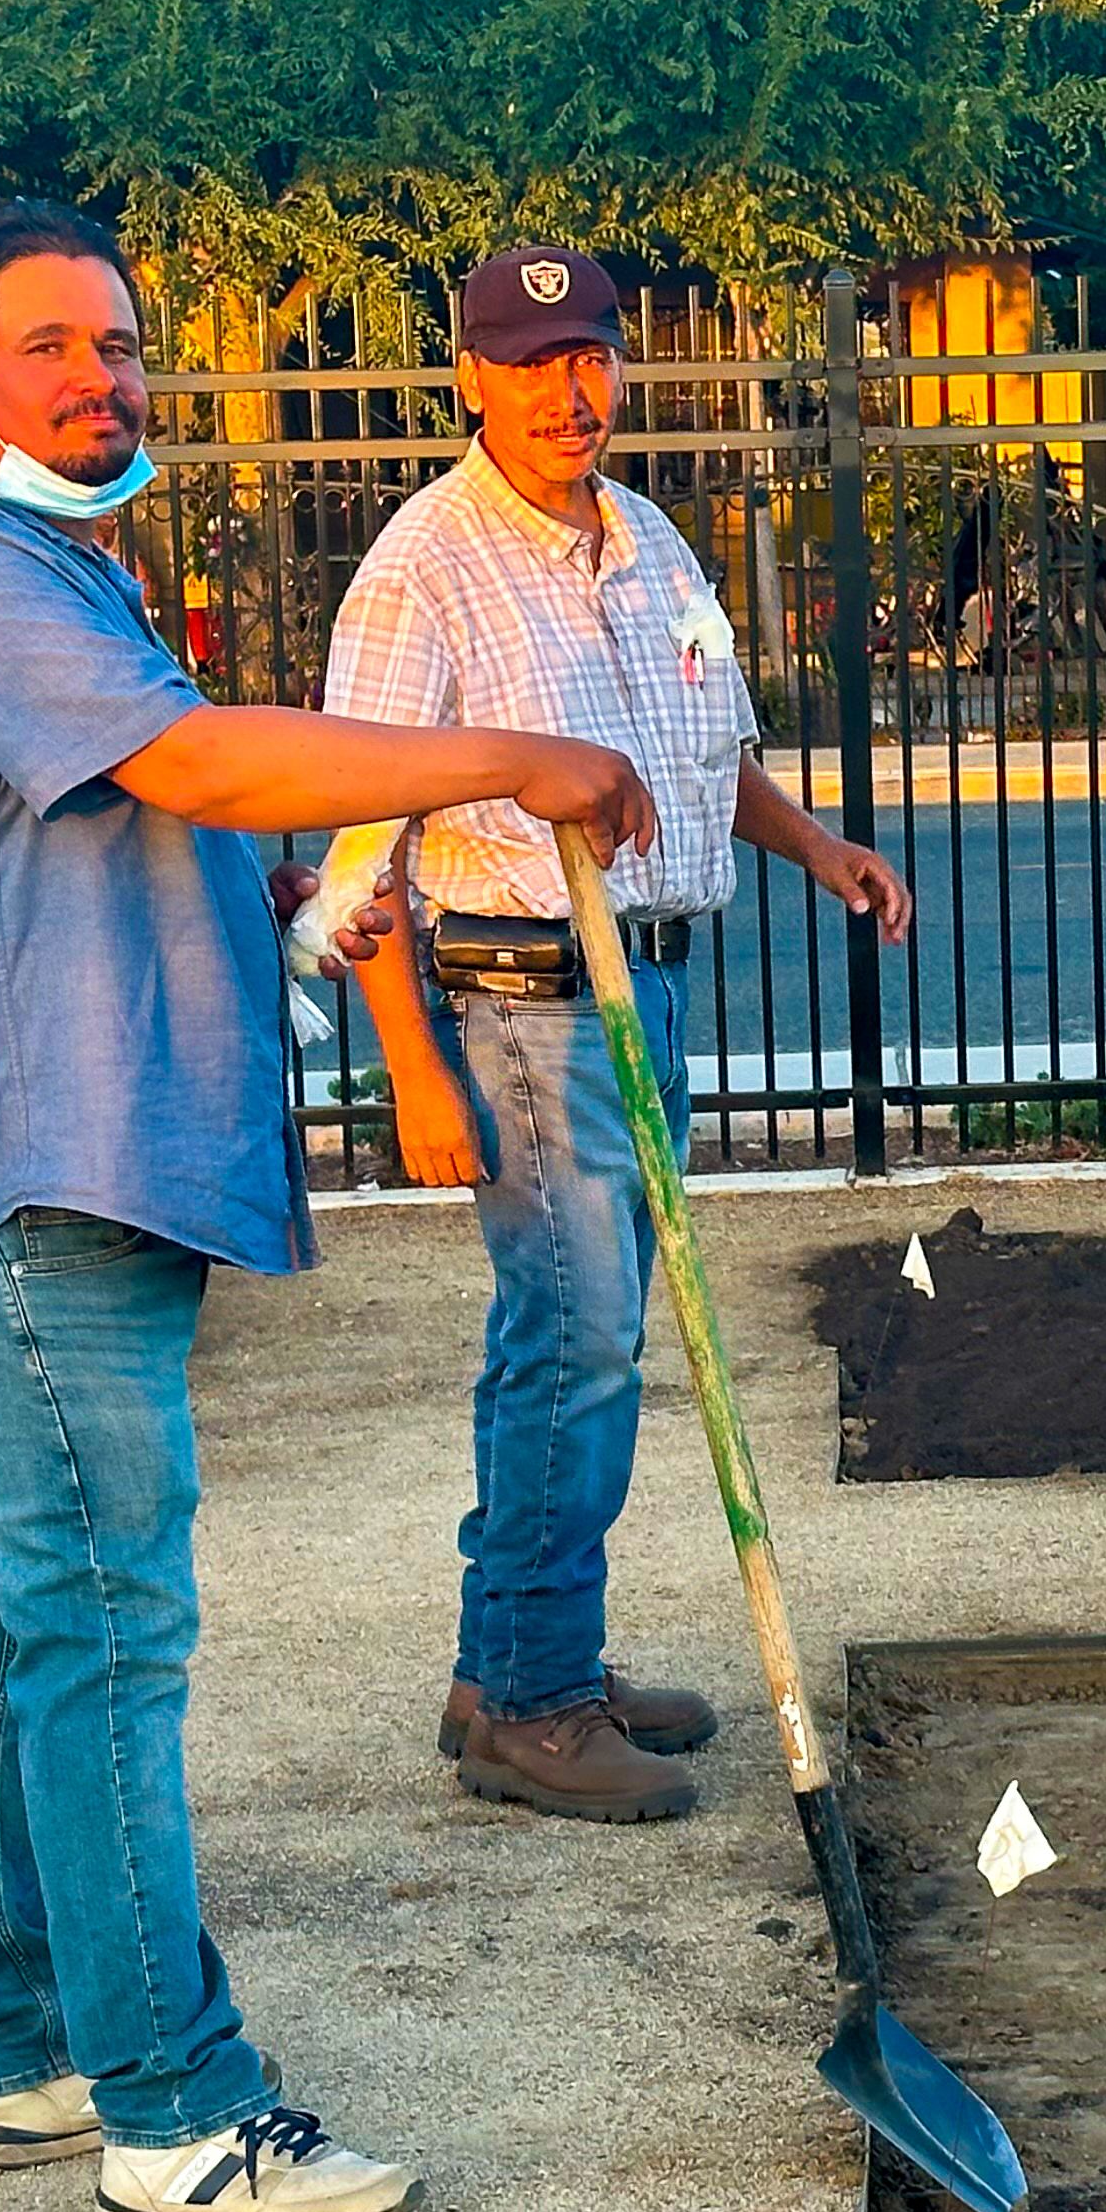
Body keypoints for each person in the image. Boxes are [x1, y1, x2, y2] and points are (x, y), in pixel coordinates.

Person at [0, 198, 666, 2212]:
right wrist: (512, 751)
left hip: (70, 1167)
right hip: (26, 1179)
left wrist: (288, 923)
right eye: (50, 348)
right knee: (105, 1627)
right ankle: (179, 2114)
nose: (104, 378)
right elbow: (193, 761)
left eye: (119, 343)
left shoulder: (42, 561)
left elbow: (131, 823)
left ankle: (23, 2044)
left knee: (23, 1615)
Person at [321, 244, 909, 1823]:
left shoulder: (648, 539)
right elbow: (351, 845)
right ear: (471, 379)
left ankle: (506, 1662)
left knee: (567, 1347)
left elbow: (710, 743)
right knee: (579, 1350)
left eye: (589, 357)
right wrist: (409, 1069)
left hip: (653, 986)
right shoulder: (422, 566)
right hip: (524, 1005)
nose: (568, 392)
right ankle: (536, 1704)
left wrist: (819, 847)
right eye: (530, 363)